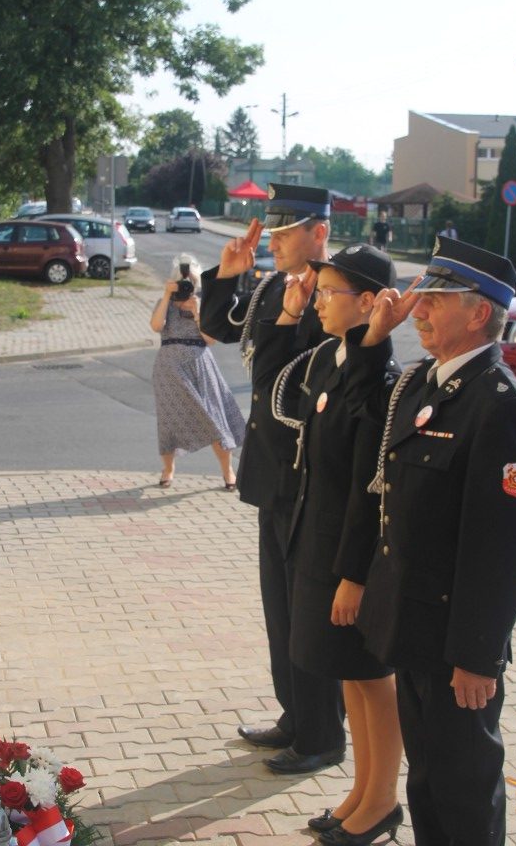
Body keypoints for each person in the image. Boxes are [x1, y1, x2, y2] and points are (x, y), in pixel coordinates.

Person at [341, 236, 516, 846]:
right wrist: (374, 335)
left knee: (464, 787)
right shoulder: (425, 385)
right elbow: (359, 410)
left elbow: (505, 546)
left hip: (459, 644)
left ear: (479, 312)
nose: (418, 308)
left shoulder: (499, 405)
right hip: (414, 625)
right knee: (426, 780)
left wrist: (478, 653)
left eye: (434, 297)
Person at [250, 245, 405, 845]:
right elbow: (275, 404)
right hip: (318, 548)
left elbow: (368, 490)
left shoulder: (379, 381)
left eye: (330, 291)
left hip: (350, 559)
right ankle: (362, 794)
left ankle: (382, 800)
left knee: (371, 677)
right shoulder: (329, 362)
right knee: (348, 675)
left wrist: (354, 575)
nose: (318, 299)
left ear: (368, 302)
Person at [200, 184, 346, 775]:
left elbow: (287, 376)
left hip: (312, 476)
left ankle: (322, 736)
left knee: (307, 611)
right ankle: (295, 715)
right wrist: (229, 274)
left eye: (289, 233)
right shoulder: (270, 286)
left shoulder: (337, 294)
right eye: (274, 232)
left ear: (320, 233)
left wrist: (291, 316)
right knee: (279, 608)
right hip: (272, 474)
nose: (278, 242)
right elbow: (218, 328)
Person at [150, 254, 245, 489]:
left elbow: (210, 339)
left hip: (201, 366)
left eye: (190, 280)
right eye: (182, 280)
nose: (186, 285)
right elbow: (155, 326)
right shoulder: (166, 302)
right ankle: (169, 469)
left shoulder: (202, 303)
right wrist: (166, 295)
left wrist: (198, 313)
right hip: (169, 367)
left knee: (214, 418)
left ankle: (228, 471)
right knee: (169, 420)